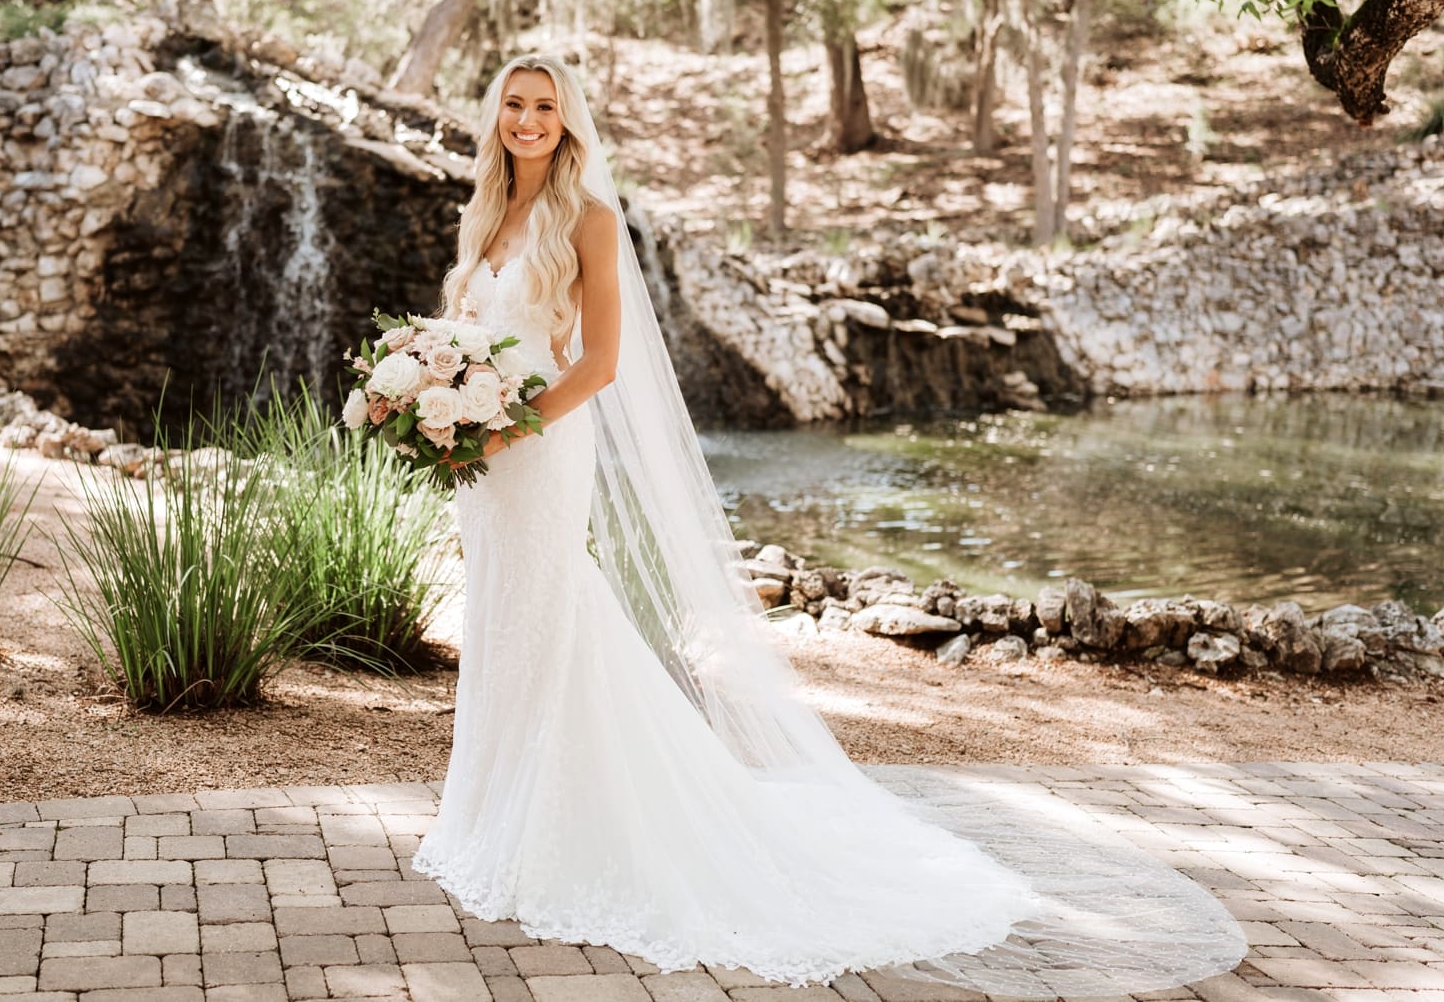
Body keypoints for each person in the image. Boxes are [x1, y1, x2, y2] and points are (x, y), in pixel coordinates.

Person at [409, 53, 1248, 995]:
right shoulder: (483, 216)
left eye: (545, 108)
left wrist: (510, 420)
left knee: (555, 617)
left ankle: (568, 824)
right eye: (515, 106)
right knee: (505, 623)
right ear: (496, 117)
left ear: (569, 122)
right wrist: (443, 408)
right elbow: (470, 337)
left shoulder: (591, 221)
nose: (528, 121)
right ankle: (491, 813)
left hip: (543, 447)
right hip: (484, 460)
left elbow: (601, 364)